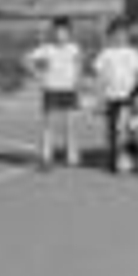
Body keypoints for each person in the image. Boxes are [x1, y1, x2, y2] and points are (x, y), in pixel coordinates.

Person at [25, 16, 84, 170]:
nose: (60, 35)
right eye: (57, 31)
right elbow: (27, 59)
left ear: (69, 33)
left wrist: (77, 81)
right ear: (53, 32)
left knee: (70, 124)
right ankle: (46, 156)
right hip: (51, 89)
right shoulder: (46, 48)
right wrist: (37, 75)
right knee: (48, 125)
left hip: (69, 89)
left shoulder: (74, 48)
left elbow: (78, 65)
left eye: (64, 32)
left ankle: (72, 157)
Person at [91, 18, 138, 172]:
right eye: (116, 34)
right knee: (112, 130)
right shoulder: (105, 54)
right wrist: (99, 98)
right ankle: (113, 160)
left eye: (123, 33)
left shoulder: (134, 53)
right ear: (110, 35)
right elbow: (100, 78)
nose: (120, 37)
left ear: (127, 35)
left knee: (133, 129)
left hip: (129, 98)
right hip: (112, 97)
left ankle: (136, 159)